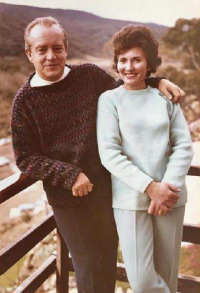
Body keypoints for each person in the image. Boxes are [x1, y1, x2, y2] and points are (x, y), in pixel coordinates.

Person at [11, 16, 185, 293]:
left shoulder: (89, 76)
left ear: (66, 48)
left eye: (57, 48)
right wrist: (70, 174)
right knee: (91, 272)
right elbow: (26, 157)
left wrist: (157, 81)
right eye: (42, 49)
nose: (50, 56)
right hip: (71, 201)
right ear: (29, 53)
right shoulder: (24, 102)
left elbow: (127, 89)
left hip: (109, 191)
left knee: (108, 267)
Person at [97, 25, 193, 293]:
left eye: (136, 59)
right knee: (141, 281)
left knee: (167, 274)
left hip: (170, 197)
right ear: (116, 63)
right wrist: (151, 188)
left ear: (149, 62)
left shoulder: (164, 97)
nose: (129, 66)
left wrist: (166, 188)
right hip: (130, 199)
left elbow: (183, 146)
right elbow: (109, 153)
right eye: (123, 60)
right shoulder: (109, 101)